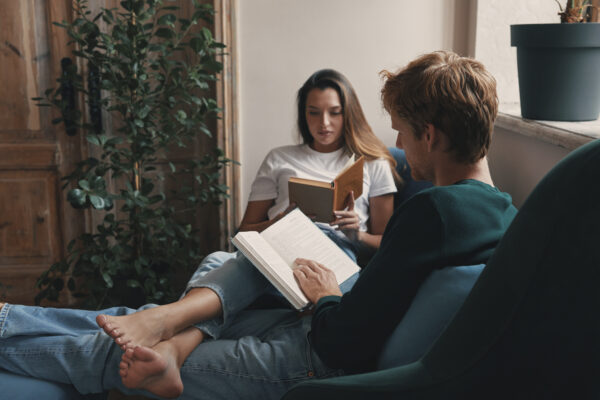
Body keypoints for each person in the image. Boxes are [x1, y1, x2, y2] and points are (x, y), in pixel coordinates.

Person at [0, 51, 518, 400]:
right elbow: (388, 291)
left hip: (319, 359)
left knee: (117, 352)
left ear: (429, 134)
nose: (399, 145)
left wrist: (325, 297)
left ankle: (154, 338)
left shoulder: (434, 213)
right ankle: (170, 335)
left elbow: (346, 343)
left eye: (404, 132)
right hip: (316, 328)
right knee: (166, 310)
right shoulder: (503, 211)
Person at [94, 68, 398, 352]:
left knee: (218, 262)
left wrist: (354, 233)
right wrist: (278, 222)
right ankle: (172, 345)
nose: (324, 124)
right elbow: (245, 230)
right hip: (278, 246)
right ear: (302, 115)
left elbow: (387, 242)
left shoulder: (373, 162)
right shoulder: (279, 158)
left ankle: (172, 331)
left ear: (349, 113)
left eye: (335, 112)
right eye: (313, 112)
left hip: (334, 257)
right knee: (223, 258)